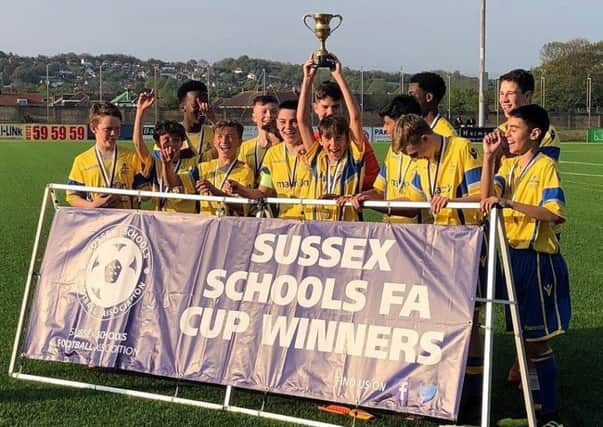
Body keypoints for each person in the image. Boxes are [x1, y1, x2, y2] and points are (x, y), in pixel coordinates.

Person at [481, 104, 569, 427]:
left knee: (535, 342)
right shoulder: (511, 166)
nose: (507, 134)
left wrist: (510, 203)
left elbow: (554, 213)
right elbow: (486, 198)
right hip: (511, 259)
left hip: (536, 261)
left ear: (534, 134)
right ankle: (532, 406)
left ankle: (550, 415)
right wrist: (490, 158)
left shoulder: (545, 166)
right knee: (522, 341)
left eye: (513, 129)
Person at [298, 53, 364, 221]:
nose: (333, 144)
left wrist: (339, 76)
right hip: (315, 227)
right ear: (321, 139)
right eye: (328, 139)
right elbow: (302, 120)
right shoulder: (317, 157)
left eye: (339, 139)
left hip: (345, 230)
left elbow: (355, 117)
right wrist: (307, 79)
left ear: (347, 139)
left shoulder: (353, 157)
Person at [226, 100, 311, 220]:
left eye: (294, 122)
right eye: (282, 122)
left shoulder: (313, 150)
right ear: (276, 123)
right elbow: (263, 192)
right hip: (286, 221)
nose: (287, 127)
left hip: (313, 222)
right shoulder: (272, 154)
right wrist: (239, 189)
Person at [350, 95, 423, 223]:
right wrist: (361, 196)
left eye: (388, 123)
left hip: (417, 236)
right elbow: (380, 191)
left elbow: (413, 206)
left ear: (404, 123)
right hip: (390, 231)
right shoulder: (392, 151)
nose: (384, 129)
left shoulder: (424, 155)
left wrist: (371, 203)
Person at [310, 59, 380, 191]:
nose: (330, 112)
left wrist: (348, 184)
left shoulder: (354, 138)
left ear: (342, 108)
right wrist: (308, 78)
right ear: (315, 108)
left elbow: (374, 177)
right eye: (325, 107)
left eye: (335, 107)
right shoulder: (312, 139)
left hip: (345, 204)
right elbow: (301, 121)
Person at [67, 102, 151, 209]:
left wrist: (140, 194)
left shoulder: (131, 157)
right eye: (108, 129)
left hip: (126, 221)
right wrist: (92, 205)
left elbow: (144, 190)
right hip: (97, 221)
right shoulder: (82, 161)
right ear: (94, 128)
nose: (113, 133)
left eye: (117, 129)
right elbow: (73, 197)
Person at [133, 90, 198, 213]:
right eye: (166, 140)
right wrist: (140, 111)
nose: (171, 144)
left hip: (185, 223)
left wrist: (166, 164)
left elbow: (173, 185)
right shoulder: (154, 163)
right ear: (158, 143)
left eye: (175, 140)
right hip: (159, 222)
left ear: (181, 142)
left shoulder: (192, 165)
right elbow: (138, 143)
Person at [177, 120, 253, 216]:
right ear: (214, 141)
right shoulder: (203, 167)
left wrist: (215, 191)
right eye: (220, 136)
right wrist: (166, 163)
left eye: (230, 136)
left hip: (230, 227)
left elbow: (242, 208)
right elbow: (176, 183)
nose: (224, 141)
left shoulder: (245, 171)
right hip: (206, 225)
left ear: (239, 142)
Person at [498, 69, 560, 162]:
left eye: (510, 93)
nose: (504, 99)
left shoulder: (546, 132)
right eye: (501, 94)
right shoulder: (500, 131)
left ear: (527, 96)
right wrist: (490, 157)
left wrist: (506, 151)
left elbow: (541, 168)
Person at [238, 95, 281, 186]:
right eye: (264, 112)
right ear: (254, 117)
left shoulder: (285, 145)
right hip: (253, 196)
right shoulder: (245, 147)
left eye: (273, 112)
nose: (269, 115)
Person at [176, 80, 217, 162]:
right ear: (182, 106)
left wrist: (213, 119)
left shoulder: (215, 134)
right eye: (195, 105)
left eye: (204, 104)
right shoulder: (170, 135)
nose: (202, 109)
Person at [408, 72, 457, 137]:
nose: (408, 99)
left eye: (412, 95)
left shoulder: (447, 136)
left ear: (429, 97)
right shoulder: (410, 128)